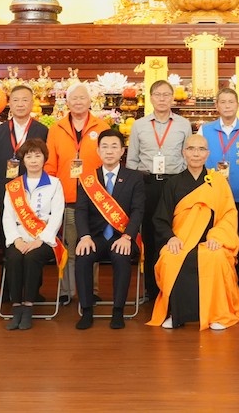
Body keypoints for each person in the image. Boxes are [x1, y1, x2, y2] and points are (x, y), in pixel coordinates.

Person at [148, 134, 239, 330]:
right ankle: (176, 314)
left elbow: (228, 214)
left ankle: (217, 314)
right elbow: (160, 218)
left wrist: (218, 237)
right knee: (171, 258)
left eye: (201, 149)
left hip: (210, 241)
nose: (196, 153)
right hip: (181, 241)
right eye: (191, 149)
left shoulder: (218, 181)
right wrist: (170, 238)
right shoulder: (173, 183)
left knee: (216, 257)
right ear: (184, 153)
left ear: (207, 154)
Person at [126, 79, 193, 301]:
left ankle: (173, 286)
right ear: (151, 98)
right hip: (148, 184)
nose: (162, 99)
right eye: (158, 95)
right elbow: (132, 161)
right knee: (150, 236)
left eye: (166, 95)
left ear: (173, 98)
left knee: (175, 233)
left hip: (175, 184)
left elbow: (188, 157)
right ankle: (151, 289)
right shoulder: (139, 125)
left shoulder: (183, 124)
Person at [44, 82, 108, 306]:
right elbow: (50, 165)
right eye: (74, 98)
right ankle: (67, 290)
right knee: (69, 247)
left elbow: (107, 162)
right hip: (67, 198)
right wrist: (52, 196)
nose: (78, 102)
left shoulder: (102, 127)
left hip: (95, 198)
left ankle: (92, 290)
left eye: (83, 98)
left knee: (92, 245)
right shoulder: (56, 129)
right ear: (67, 102)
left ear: (90, 101)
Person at [74, 129, 145, 330]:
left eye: (114, 147)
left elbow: (138, 211)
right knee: (83, 256)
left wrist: (127, 236)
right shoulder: (88, 179)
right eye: (104, 147)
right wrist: (84, 236)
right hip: (95, 237)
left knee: (121, 257)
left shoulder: (134, 177)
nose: (109, 151)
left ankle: (118, 311)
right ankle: (87, 310)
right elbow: (80, 211)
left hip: (122, 237)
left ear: (122, 151)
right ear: (98, 151)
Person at [200, 87, 239, 289]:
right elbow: (198, 162)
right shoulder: (205, 130)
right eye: (223, 102)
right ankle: (215, 286)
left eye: (231, 102)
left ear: (237, 105)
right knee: (214, 241)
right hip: (213, 198)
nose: (227, 106)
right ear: (216, 106)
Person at [2, 138, 64, 331]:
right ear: (23, 160)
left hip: (43, 236)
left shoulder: (54, 184)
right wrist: (16, 239)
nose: (34, 160)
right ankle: (16, 307)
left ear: (45, 158)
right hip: (19, 235)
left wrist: (41, 239)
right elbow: (7, 216)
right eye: (29, 156)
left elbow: (57, 215)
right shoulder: (14, 186)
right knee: (14, 257)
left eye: (38, 156)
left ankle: (28, 306)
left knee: (32, 258)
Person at [0, 85, 49, 209]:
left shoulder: (42, 131)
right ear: (10, 104)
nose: (20, 104)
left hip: (34, 191)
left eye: (25, 100)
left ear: (32, 103)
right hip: (5, 192)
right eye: (16, 100)